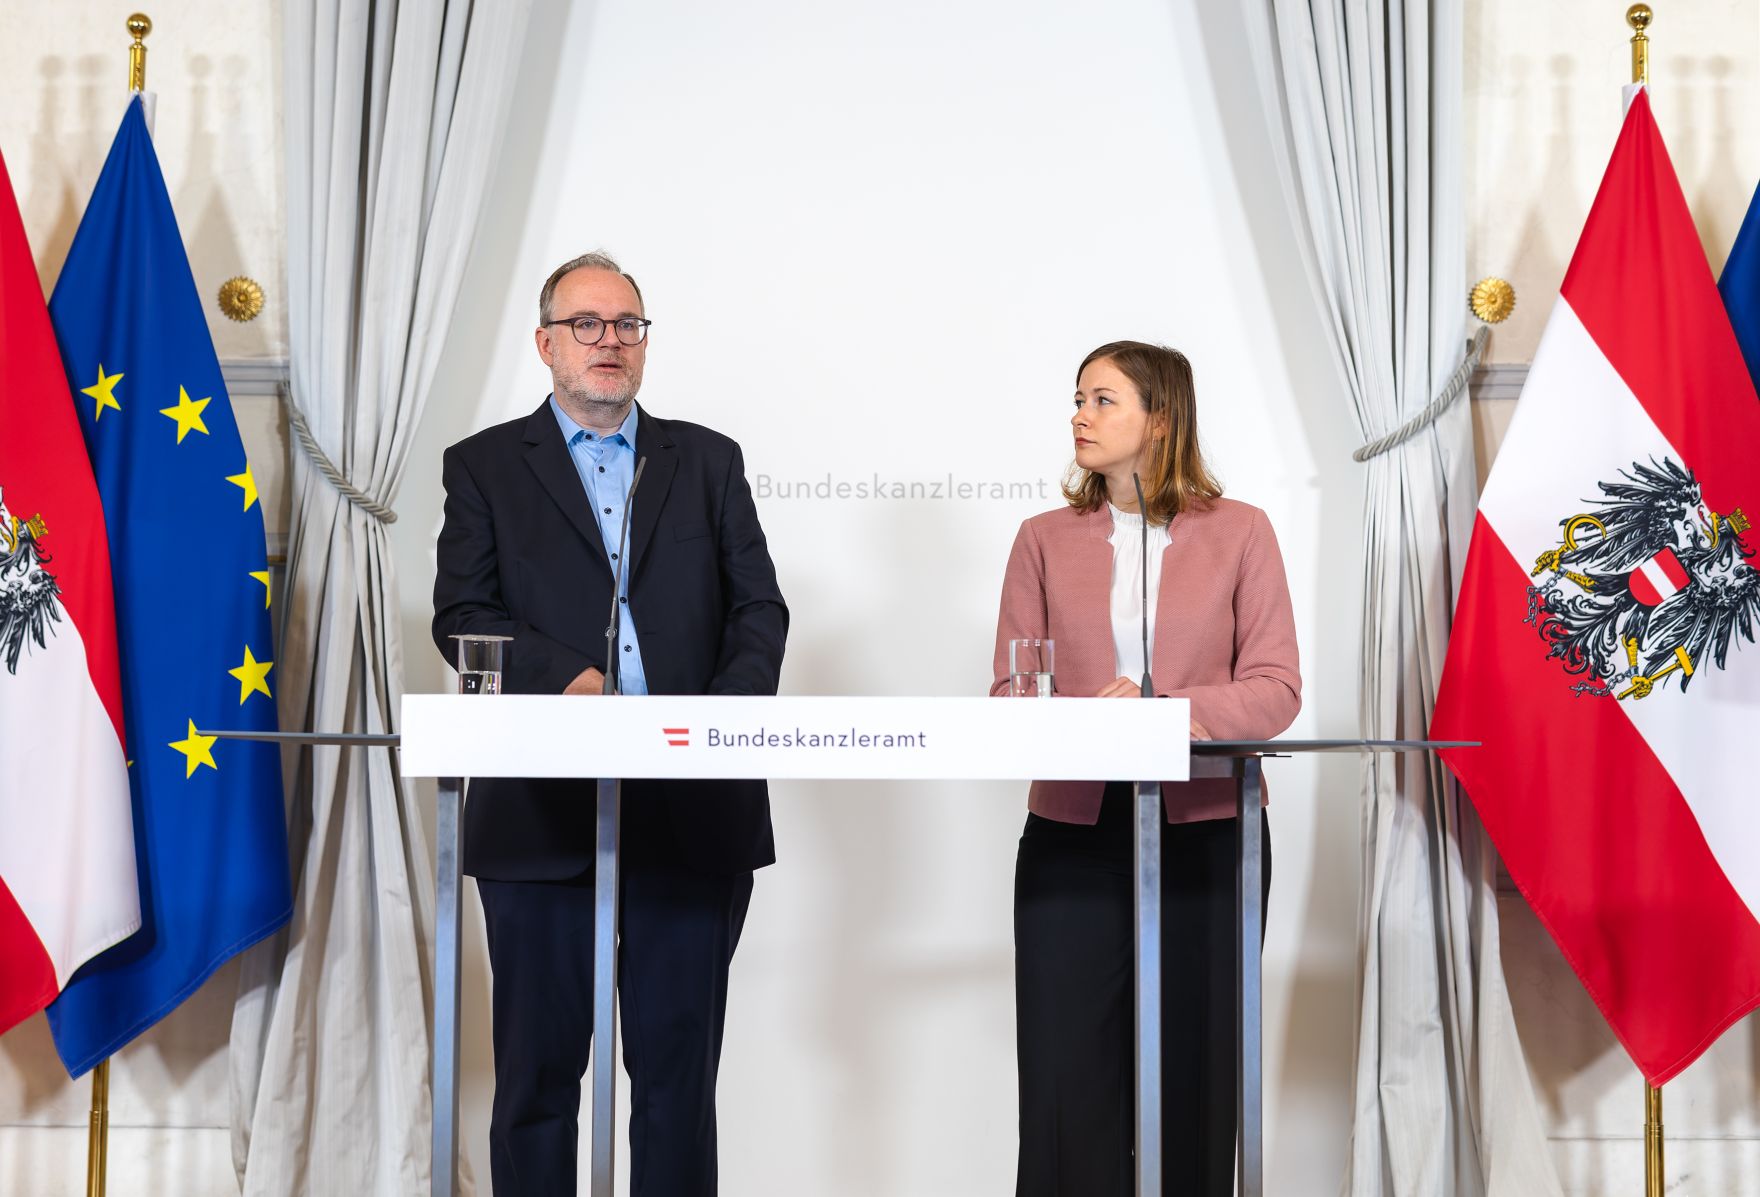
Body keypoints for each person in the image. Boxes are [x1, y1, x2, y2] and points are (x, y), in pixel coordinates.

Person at [432, 251, 788, 1197]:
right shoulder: (482, 468)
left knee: (677, 1083)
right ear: (546, 342)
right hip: (539, 820)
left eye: (627, 324)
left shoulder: (707, 460)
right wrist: (573, 681)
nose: (609, 342)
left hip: (692, 810)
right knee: (538, 1082)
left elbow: (759, 608)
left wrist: (722, 723)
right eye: (587, 324)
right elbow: (463, 613)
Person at [990, 340, 1301, 1196]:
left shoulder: (1241, 531)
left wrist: (1164, 713)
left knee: (1198, 1071)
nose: (1079, 416)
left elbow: (1275, 690)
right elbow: (1011, 695)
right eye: (1079, 399)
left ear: (1160, 419)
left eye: (1102, 400)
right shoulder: (1042, 540)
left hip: (1209, 837)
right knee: (1066, 1079)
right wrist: (1083, 723)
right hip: (1072, 836)